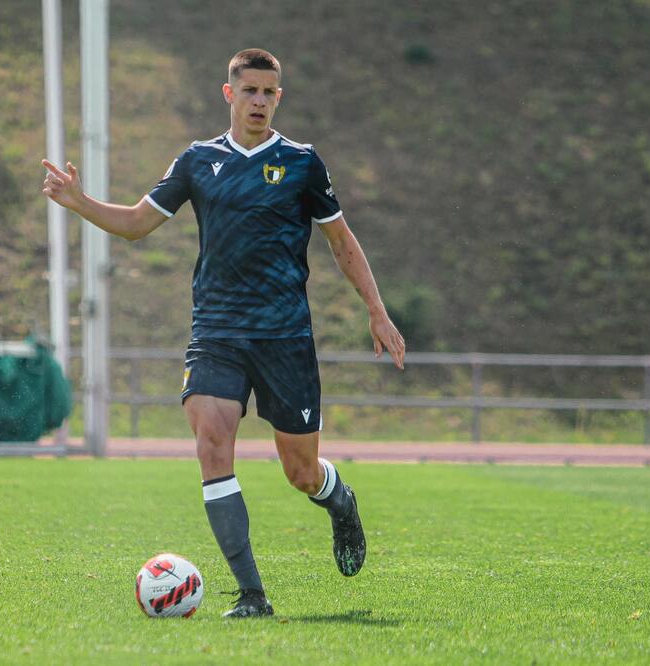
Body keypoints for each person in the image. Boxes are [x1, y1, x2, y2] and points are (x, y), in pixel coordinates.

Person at [42, 48, 405, 618]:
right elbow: (137, 224)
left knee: (300, 471)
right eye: (249, 90)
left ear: (278, 97)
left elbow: (340, 240)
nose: (259, 101)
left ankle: (338, 498)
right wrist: (78, 201)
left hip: (284, 336)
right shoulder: (198, 160)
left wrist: (376, 311)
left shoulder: (302, 163)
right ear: (229, 94)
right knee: (212, 443)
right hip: (217, 331)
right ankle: (252, 594)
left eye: (269, 92)